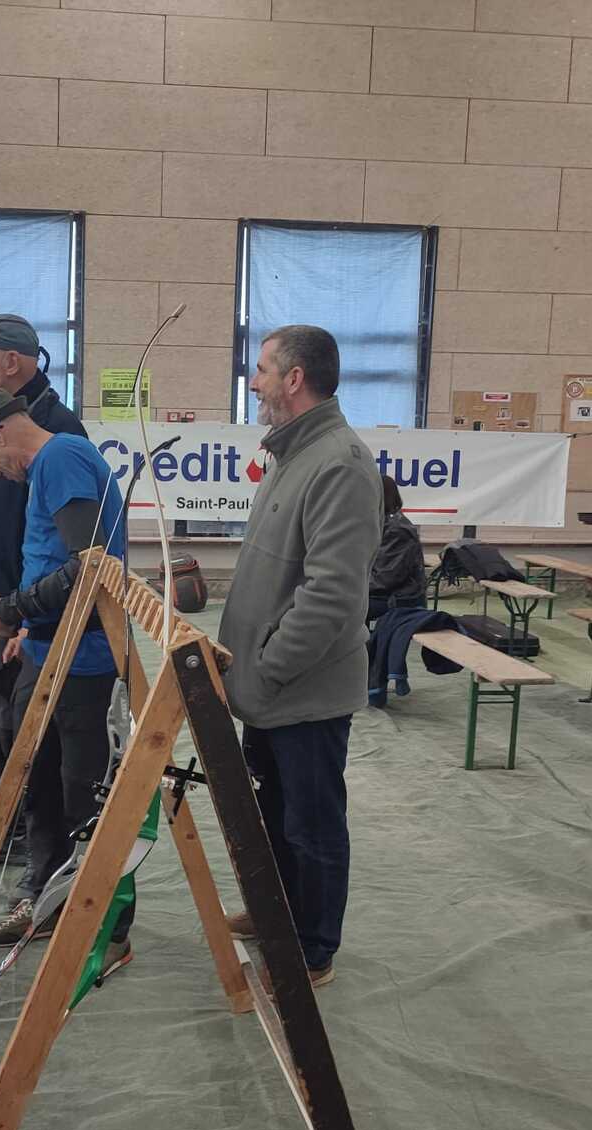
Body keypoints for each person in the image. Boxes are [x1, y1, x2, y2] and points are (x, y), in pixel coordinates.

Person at [217, 325, 382, 988]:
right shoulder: (291, 453)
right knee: (273, 815)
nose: (253, 381)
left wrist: (271, 664)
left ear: (293, 379)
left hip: (303, 691)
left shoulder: (340, 463)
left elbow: (333, 594)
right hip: (269, 686)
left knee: (312, 825)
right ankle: (275, 913)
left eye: (262, 369)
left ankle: (312, 950)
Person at [0, 388, 135, 973]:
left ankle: (106, 929)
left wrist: (14, 607)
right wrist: (28, 626)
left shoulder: (62, 457)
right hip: (48, 648)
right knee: (41, 782)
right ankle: (46, 896)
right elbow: (56, 558)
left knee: (84, 797)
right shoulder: (48, 468)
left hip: (84, 662)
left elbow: (90, 565)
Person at [0, 314, 85, 863]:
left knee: (21, 732)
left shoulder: (59, 435)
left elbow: (67, 550)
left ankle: (32, 836)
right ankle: (12, 825)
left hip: (25, 616)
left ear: (11, 361)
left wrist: (26, 619)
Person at [368, 473, 427, 618]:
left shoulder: (397, 530)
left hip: (399, 600)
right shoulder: (383, 523)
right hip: (387, 595)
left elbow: (384, 579)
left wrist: (349, 585)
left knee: (340, 605)